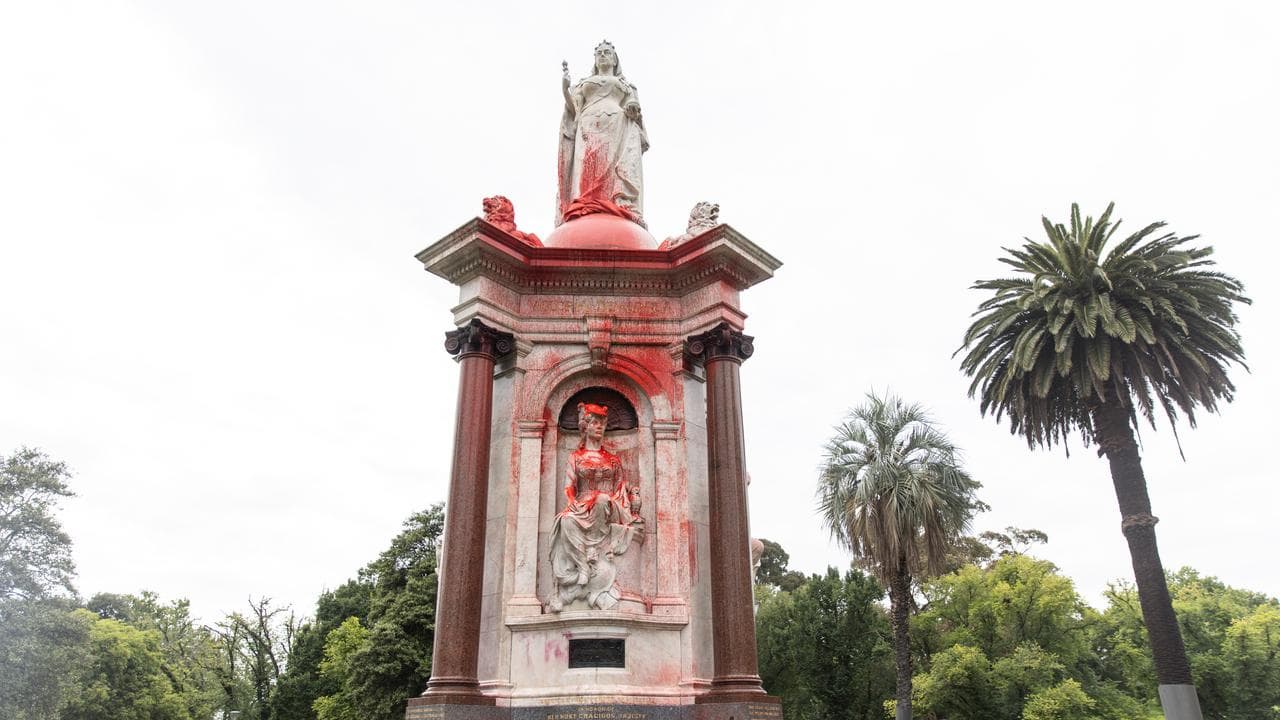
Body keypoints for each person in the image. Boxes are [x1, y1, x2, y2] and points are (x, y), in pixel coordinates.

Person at [547, 402, 643, 611]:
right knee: (565, 520)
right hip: (582, 506)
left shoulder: (613, 460)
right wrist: (572, 504)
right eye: (595, 423)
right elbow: (569, 487)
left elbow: (619, 487)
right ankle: (583, 566)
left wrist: (620, 504)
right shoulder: (575, 457)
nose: (599, 427)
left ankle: (594, 548)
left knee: (601, 499)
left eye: (602, 423)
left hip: (608, 505)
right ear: (585, 426)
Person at [556, 41, 649, 227]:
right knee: (587, 166)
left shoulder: (626, 86)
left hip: (618, 127)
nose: (603, 55)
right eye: (599, 53)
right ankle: (585, 206)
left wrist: (633, 109)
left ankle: (616, 204)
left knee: (613, 169)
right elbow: (573, 109)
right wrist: (565, 89)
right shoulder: (584, 83)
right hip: (588, 126)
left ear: (615, 60)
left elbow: (635, 110)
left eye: (607, 52)